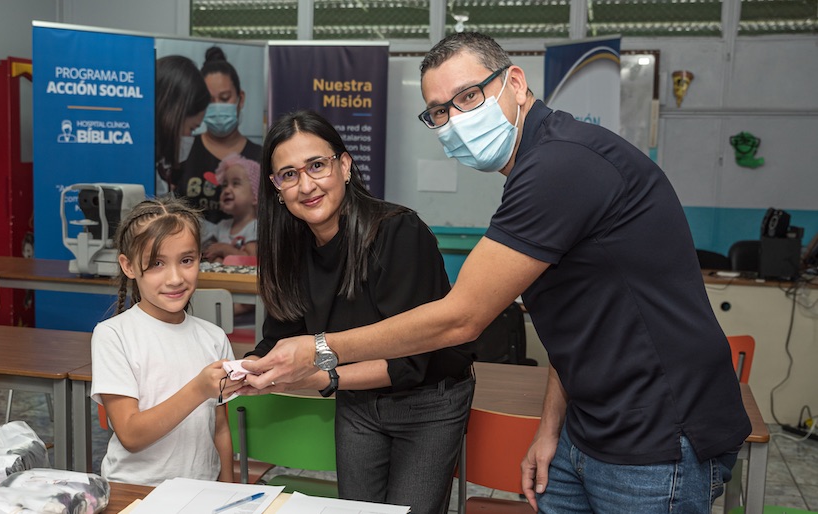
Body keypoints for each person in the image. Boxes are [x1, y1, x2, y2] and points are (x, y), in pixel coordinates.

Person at [243, 33, 752, 514]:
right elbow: (576, 325)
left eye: (467, 97)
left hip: (656, 435)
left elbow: (460, 320)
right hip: (589, 427)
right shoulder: (536, 166)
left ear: (514, 83)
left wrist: (318, 350)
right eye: (439, 112)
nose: (454, 121)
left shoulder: (559, 164)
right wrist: (554, 427)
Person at [241, 110, 476, 514]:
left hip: (427, 401)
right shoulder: (289, 249)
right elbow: (280, 336)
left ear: (345, 166)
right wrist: (245, 370)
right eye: (289, 174)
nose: (307, 185)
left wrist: (322, 376)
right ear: (277, 188)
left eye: (317, 166)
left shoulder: (399, 232)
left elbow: (412, 362)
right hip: (355, 400)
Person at [90, 196, 243, 486]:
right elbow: (131, 436)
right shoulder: (113, 336)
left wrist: (228, 490)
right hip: (135, 492)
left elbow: (220, 428)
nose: (175, 278)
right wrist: (198, 389)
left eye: (186, 260)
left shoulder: (214, 338)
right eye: (157, 263)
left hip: (202, 492)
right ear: (129, 266)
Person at [175, 46, 262, 224]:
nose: (217, 107)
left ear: (241, 98)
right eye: (208, 100)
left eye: (224, 98)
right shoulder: (185, 150)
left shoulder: (260, 156)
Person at [155, 55, 211, 197]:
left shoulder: (161, 169)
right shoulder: (139, 167)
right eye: (192, 129)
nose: (190, 138)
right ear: (173, 117)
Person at [202, 153, 260, 263]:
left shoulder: (255, 228)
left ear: (255, 196)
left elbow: (252, 260)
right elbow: (208, 254)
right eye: (224, 185)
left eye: (235, 184)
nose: (227, 190)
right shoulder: (221, 226)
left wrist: (224, 249)